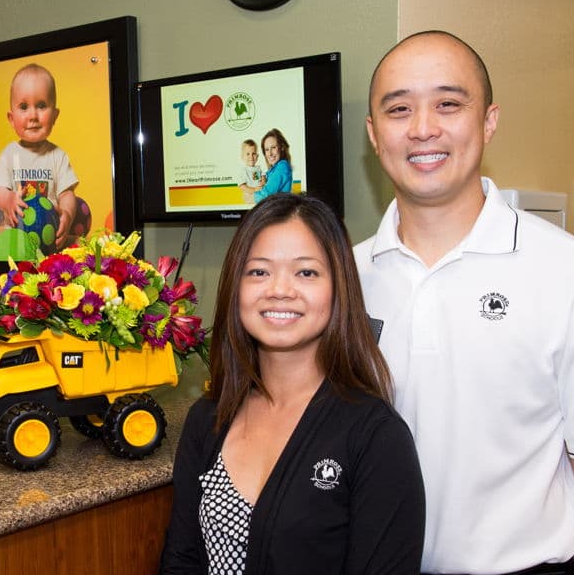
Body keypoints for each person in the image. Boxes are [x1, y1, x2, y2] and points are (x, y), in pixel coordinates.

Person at [356, 30, 574, 575]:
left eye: (448, 104)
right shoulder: (342, 278)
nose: (423, 128)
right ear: (374, 133)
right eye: (399, 109)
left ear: (489, 121)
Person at [161, 193, 425, 574]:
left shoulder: (376, 438)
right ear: (235, 287)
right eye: (259, 272)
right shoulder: (208, 419)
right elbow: (181, 560)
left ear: (338, 289)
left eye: (306, 273)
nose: (280, 289)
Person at [0, 63, 78, 245]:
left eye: (41, 105)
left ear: (55, 116)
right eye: (23, 107)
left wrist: (67, 215)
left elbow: (67, 194)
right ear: (11, 119)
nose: (33, 116)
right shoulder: (9, 154)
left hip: (51, 238)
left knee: (81, 243)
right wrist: (9, 200)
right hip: (18, 236)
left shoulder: (58, 155)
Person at [253, 128, 292, 202]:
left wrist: (251, 196)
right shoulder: (274, 169)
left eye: (273, 147)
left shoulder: (282, 166)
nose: (270, 153)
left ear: (282, 147)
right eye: (267, 149)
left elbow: (266, 195)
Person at [237, 139, 263, 204]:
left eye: (253, 154)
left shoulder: (258, 168)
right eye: (248, 154)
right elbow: (242, 186)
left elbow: (258, 179)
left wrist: (262, 181)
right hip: (249, 195)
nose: (251, 156)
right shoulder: (244, 170)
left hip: (258, 193)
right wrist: (254, 190)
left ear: (257, 156)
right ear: (242, 156)